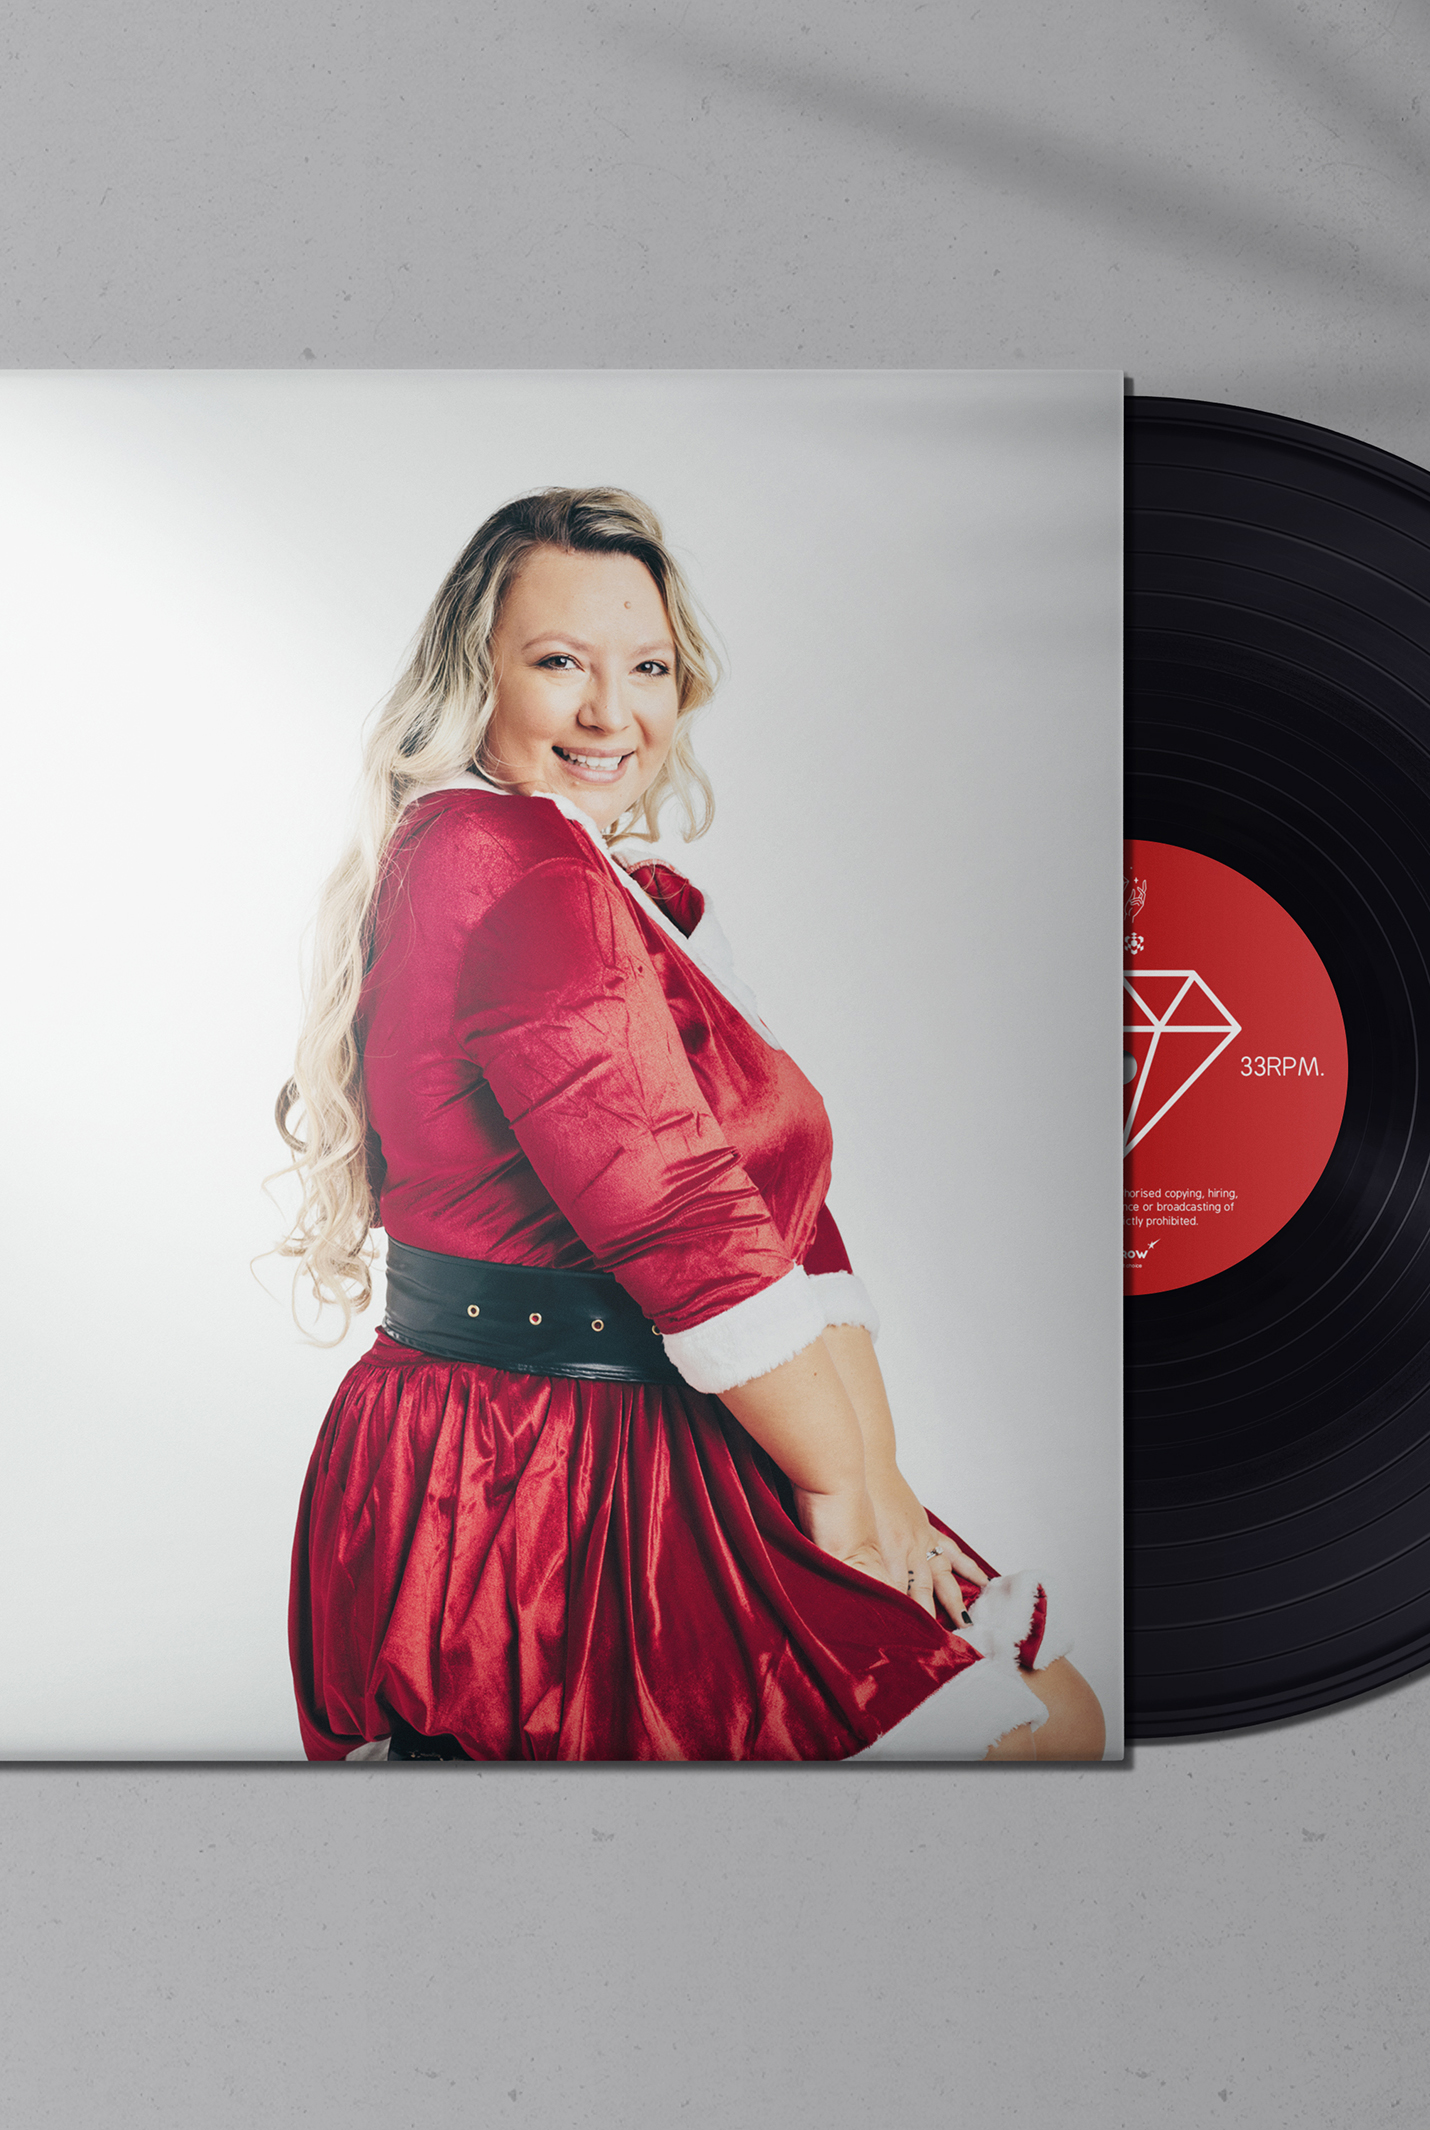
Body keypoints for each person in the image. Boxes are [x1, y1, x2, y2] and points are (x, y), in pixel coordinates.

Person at [279, 486, 1104, 1763]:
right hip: (543, 1470)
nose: (616, 713)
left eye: (648, 667)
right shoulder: (518, 868)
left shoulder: (569, 873)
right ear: (475, 677)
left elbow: (777, 1212)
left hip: (598, 1427)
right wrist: (841, 1485)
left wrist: (882, 1489)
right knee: (1034, 1732)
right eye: (560, 663)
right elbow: (678, 1213)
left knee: (1038, 1709)